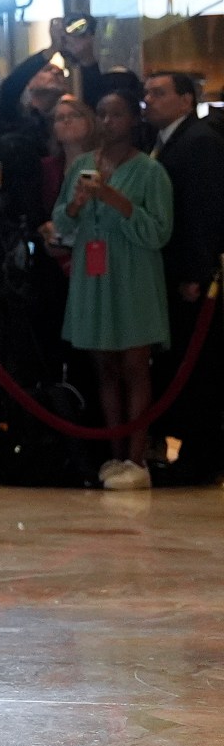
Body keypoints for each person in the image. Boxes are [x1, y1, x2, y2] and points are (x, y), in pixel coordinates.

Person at [56, 89, 175, 490]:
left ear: (133, 120)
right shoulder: (81, 166)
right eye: (102, 114)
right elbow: (61, 223)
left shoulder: (150, 171)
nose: (108, 122)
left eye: (117, 114)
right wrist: (74, 205)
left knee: (135, 365)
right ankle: (114, 453)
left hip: (133, 272)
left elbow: (159, 230)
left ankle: (137, 458)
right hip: (94, 273)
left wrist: (116, 200)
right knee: (103, 365)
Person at [146, 71, 224, 483]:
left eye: (159, 93)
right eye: (147, 93)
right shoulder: (166, 142)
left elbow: (204, 211)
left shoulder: (199, 142)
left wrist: (196, 270)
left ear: (185, 99)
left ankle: (202, 455)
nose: (148, 100)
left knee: (201, 366)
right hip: (172, 270)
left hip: (193, 274)